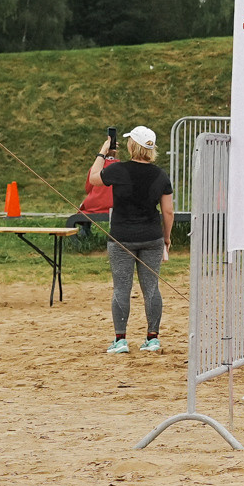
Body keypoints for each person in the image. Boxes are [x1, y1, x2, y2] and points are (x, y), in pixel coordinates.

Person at [90, 124, 174, 354]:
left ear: (132, 145)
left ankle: (120, 340)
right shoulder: (160, 174)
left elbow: (94, 178)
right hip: (151, 237)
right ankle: (153, 337)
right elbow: (168, 212)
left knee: (121, 288)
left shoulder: (119, 170)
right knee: (152, 288)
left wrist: (103, 153)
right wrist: (166, 238)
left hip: (121, 238)